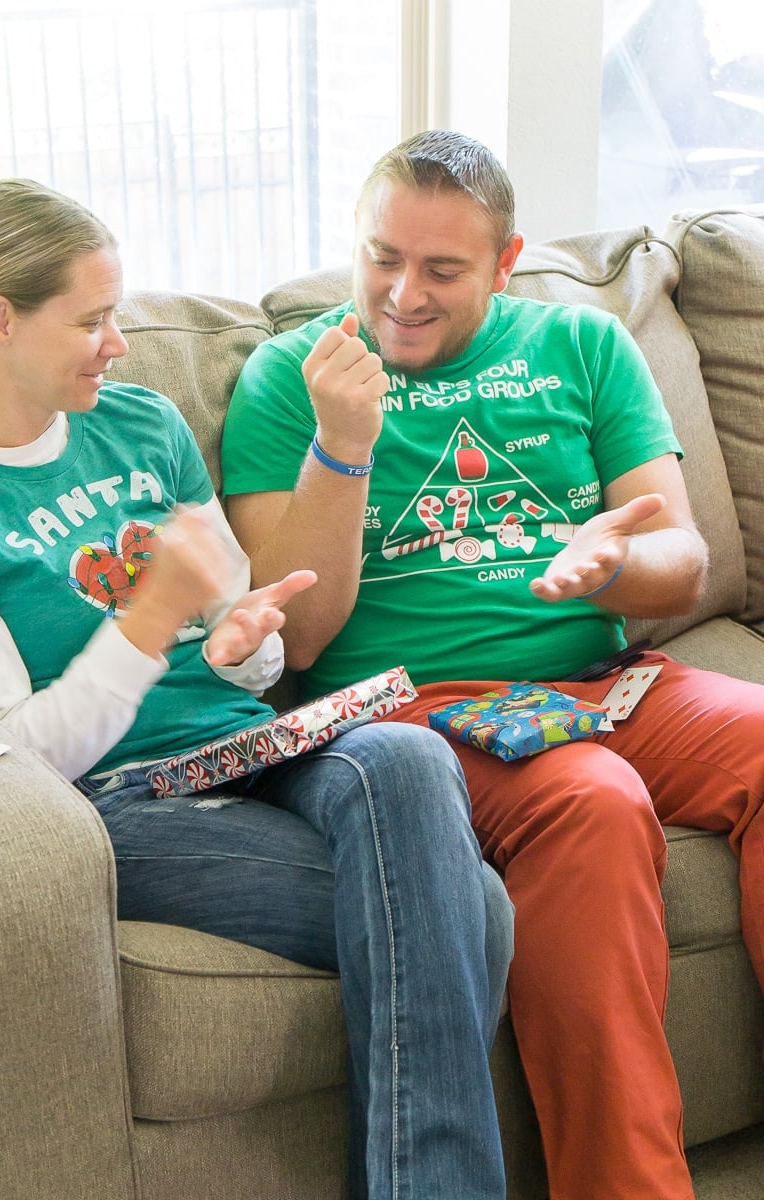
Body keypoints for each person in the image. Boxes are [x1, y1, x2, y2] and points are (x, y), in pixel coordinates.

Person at [222, 129, 764, 1200]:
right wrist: (342, 445)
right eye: (380, 257)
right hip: (421, 712)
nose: (399, 294)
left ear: (505, 260)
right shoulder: (294, 377)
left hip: (607, 685)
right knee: (592, 805)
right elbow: (298, 637)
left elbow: (680, 562)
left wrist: (611, 565)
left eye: (439, 269)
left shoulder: (582, 343)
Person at [0, 177, 514, 1200]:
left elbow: (239, 648)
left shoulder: (139, 425)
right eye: (89, 321)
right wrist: (147, 619)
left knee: (406, 748)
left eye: (118, 316)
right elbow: (27, 759)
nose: (117, 344)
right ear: (0, 319)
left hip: (252, 741)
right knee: (471, 908)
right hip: (117, 799)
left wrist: (239, 643)